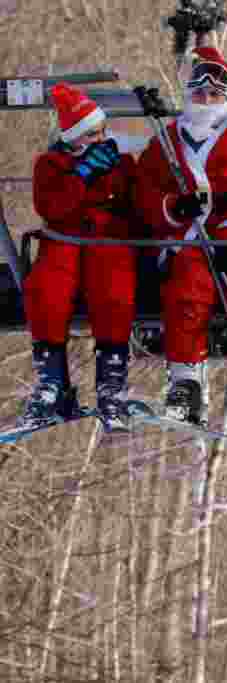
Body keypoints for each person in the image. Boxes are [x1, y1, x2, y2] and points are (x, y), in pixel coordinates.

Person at [135, 47, 227, 427]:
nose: (206, 100)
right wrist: (171, 207)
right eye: (199, 93)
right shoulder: (165, 142)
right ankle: (186, 380)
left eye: (215, 94)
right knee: (187, 283)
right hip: (189, 237)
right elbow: (146, 192)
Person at [21, 84, 139, 430]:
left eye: (102, 132)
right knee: (47, 290)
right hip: (65, 238)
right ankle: (52, 382)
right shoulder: (50, 165)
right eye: (90, 134)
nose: (100, 140)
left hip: (107, 240)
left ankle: (111, 384)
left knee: (113, 291)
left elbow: (134, 203)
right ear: (72, 137)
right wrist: (81, 177)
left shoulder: (121, 163)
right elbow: (51, 207)